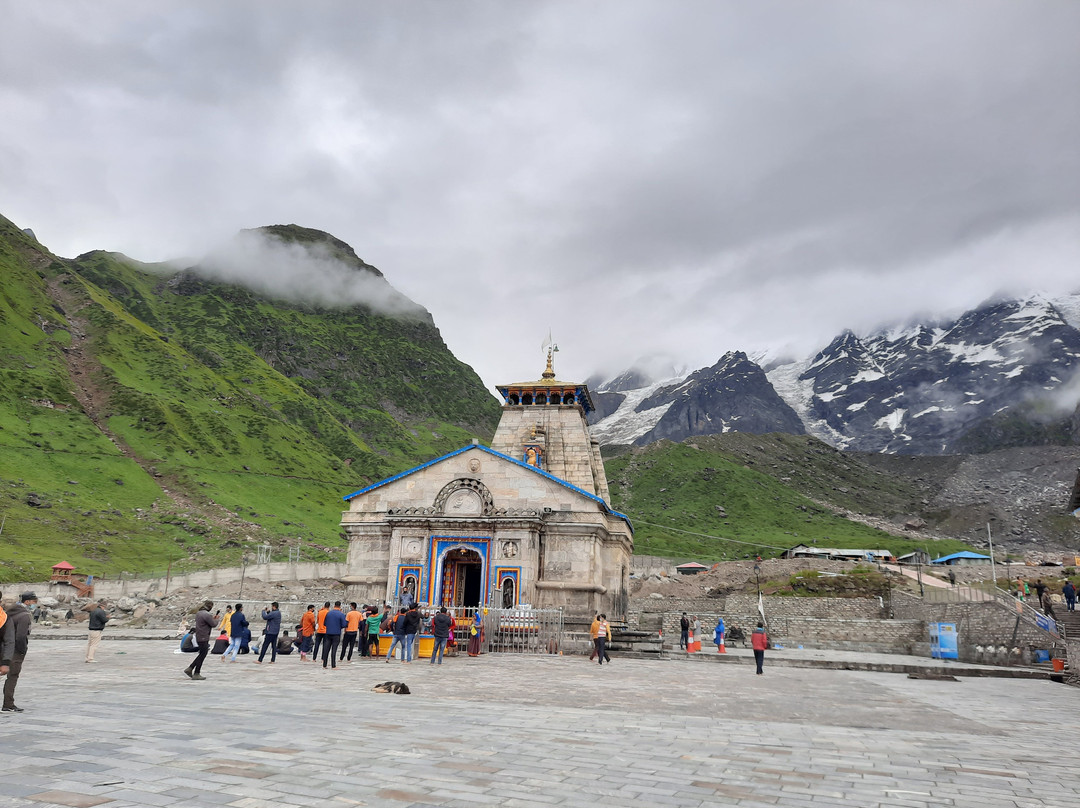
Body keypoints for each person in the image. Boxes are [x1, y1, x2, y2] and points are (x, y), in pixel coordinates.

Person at [2, 592, 36, 712]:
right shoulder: (24, 616)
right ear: (27, 602)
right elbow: (21, 636)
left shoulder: (9, 612)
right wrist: (22, 650)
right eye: (34, 602)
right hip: (15, 651)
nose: (34, 604)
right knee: (12, 676)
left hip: (4, 647)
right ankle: (8, 703)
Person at [185, 600, 216, 680]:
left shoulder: (199, 613)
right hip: (204, 636)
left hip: (199, 636)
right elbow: (213, 624)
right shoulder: (207, 614)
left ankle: (190, 668)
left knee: (202, 654)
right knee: (202, 655)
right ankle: (196, 673)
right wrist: (216, 619)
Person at [321, 602, 348, 669]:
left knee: (326, 649)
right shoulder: (341, 614)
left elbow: (324, 623)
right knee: (334, 649)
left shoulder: (329, 613)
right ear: (340, 606)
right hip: (336, 633)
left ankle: (324, 665)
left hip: (328, 633)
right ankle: (333, 665)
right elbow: (344, 625)